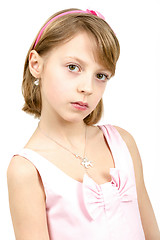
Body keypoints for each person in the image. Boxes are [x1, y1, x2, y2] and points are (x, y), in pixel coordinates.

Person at [7, 8, 160, 240]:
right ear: (36, 64)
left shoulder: (122, 143)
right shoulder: (27, 170)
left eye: (101, 76)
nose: (87, 88)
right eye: (73, 67)